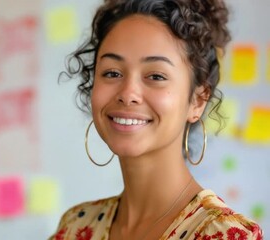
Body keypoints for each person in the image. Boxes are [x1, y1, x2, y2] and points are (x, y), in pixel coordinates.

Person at [49, 0, 263, 239]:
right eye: (112, 72)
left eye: (156, 76)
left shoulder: (224, 235)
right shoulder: (75, 227)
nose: (128, 93)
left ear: (198, 101)